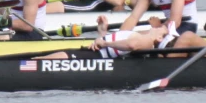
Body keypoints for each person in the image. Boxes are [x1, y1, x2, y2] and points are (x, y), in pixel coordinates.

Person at [37, 16, 170, 59]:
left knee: (64, 55)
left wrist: (105, 43)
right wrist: (102, 32)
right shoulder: (144, 36)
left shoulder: (147, 40)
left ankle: (31, 62)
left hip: (99, 57)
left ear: (159, 38)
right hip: (98, 51)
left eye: (159, 28)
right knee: (63, 54)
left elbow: (131, 45)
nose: (154, 27)